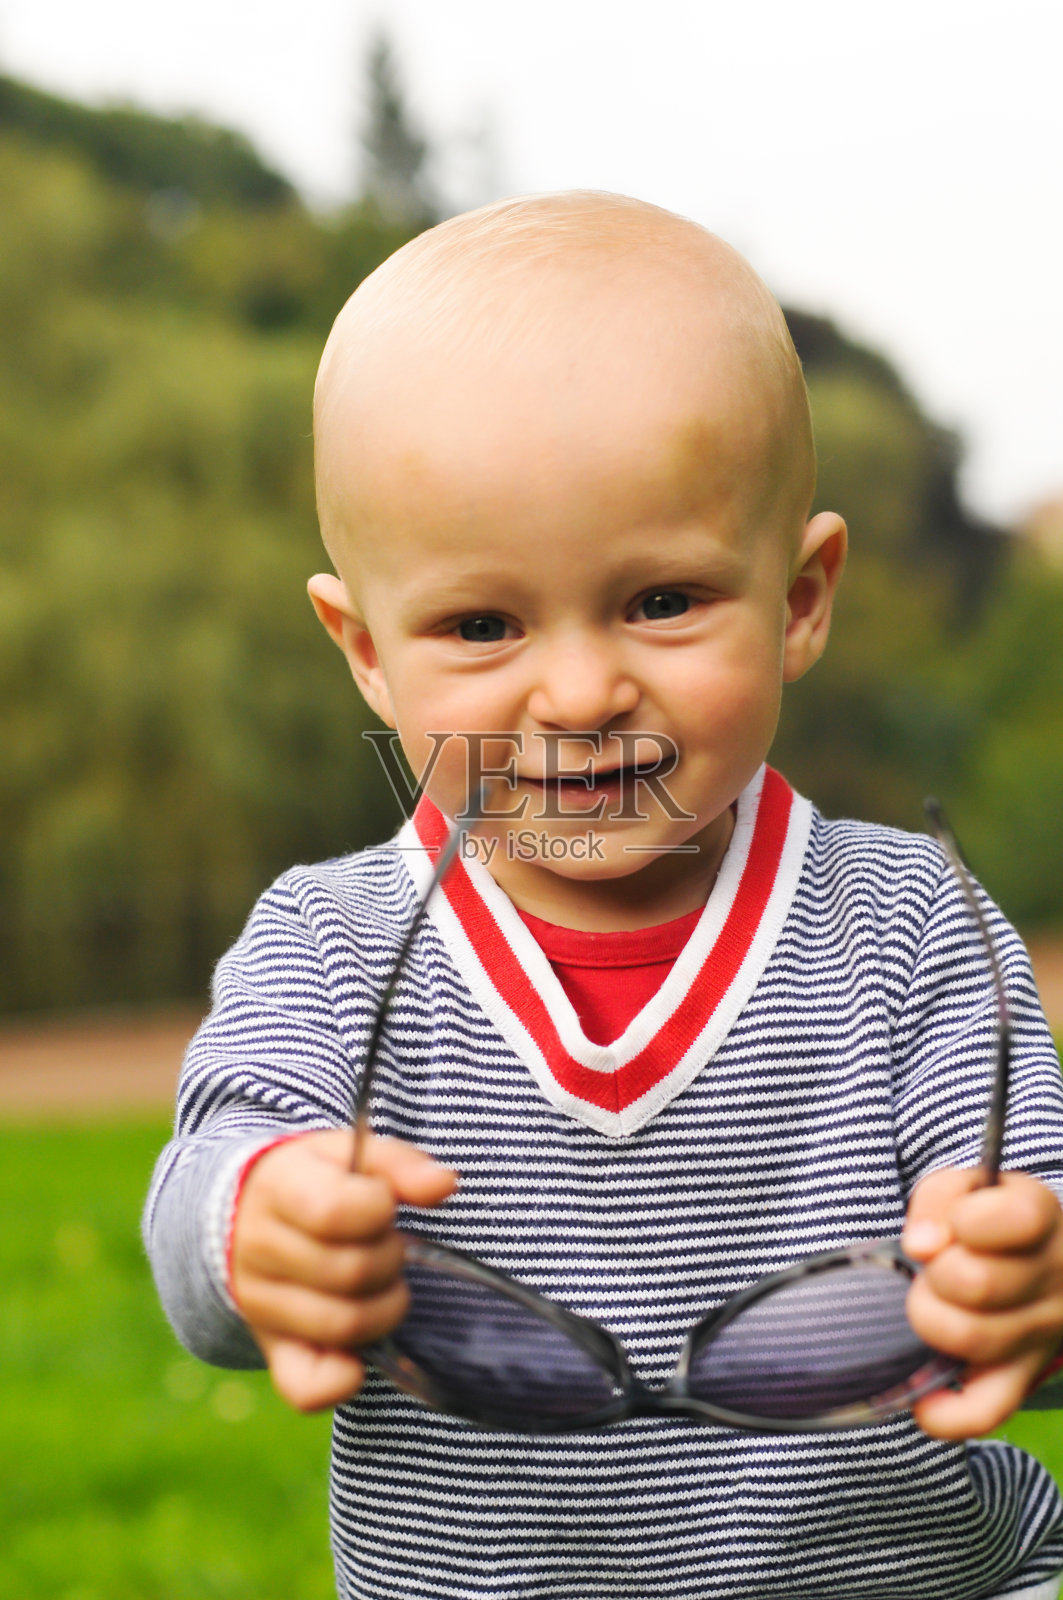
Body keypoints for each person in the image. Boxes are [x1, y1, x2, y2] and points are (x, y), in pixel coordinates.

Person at [144, 191, 1063, 1600]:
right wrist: (258, 1220)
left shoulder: (908, 922)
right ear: (366, 650)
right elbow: (206, 1204)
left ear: (802, 595)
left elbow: (1033, 1235)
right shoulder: (332, 945)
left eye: (662, 601)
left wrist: (1023, 1284)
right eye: (482, 624)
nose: (578, 693)